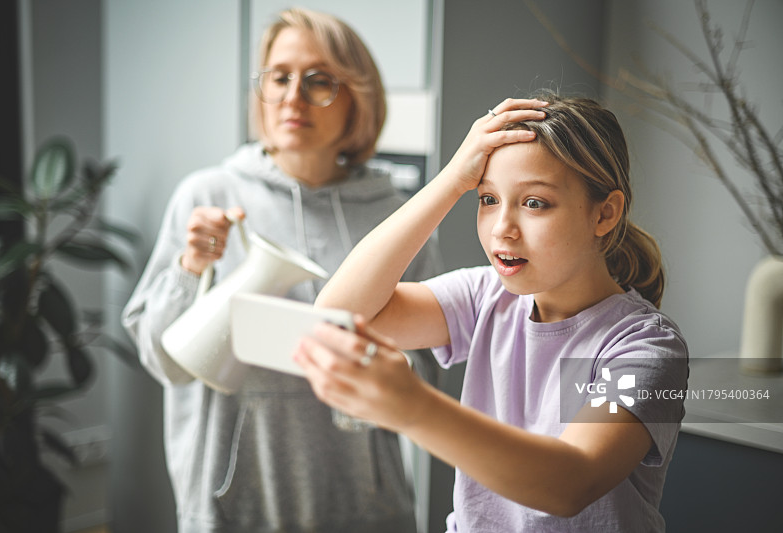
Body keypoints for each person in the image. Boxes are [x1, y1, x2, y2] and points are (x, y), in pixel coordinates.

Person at [295, 94, 689, 532]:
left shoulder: (647, 347)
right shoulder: (485, 296)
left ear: (605, 213)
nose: (502, 228)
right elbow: (336, 316)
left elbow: (570, 483)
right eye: (487, 199)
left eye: (534, 203)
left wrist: (414, 407)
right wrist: (451, 180)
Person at [121, 8, 441, 533]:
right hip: (232, 508)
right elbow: (164, 361)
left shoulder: (398, 218)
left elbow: (429, 372)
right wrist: (190, 268)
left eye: (318, 80)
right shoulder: (207, 196)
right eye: (279, 77)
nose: (294, 97)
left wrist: (374, 365)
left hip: (367, 509)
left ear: (357, 99)